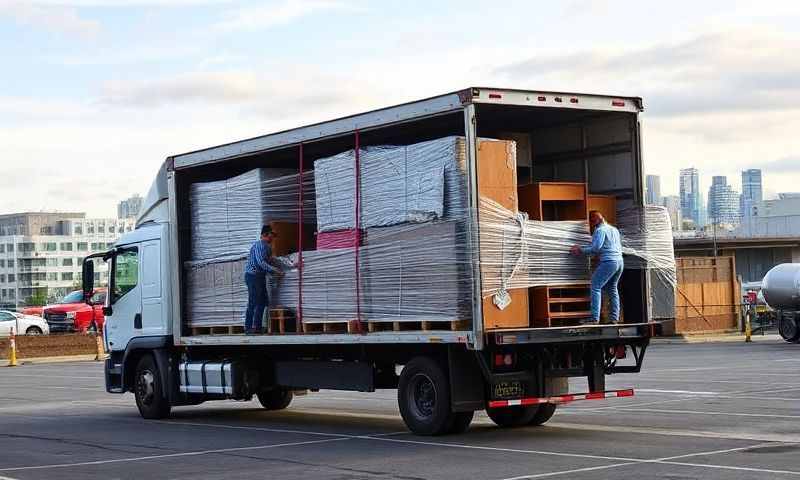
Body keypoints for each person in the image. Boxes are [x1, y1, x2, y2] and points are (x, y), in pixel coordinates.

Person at [570, 211, 624, 324]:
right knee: (613, 289)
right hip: (619, 262)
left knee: (595, 286)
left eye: (591, 221)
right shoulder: (614, 230)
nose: (591, 224)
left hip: (609, 262)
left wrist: (580, 250)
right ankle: (615, 318)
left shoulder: (600, 230)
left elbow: (596, 248)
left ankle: (594, 318)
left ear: (595, 221)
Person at [244, 225, 283, 334]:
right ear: (265, 235)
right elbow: (261, 263)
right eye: (271, 235)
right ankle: (248, 327)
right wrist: (275, 270)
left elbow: (272, 260)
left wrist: (291, 264)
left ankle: (257, 327)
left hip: (260, 277)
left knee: (262, 302)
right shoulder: (259, 245)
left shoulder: (268, 248)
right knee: (253, 301)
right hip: (253, 276)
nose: (273, 238)